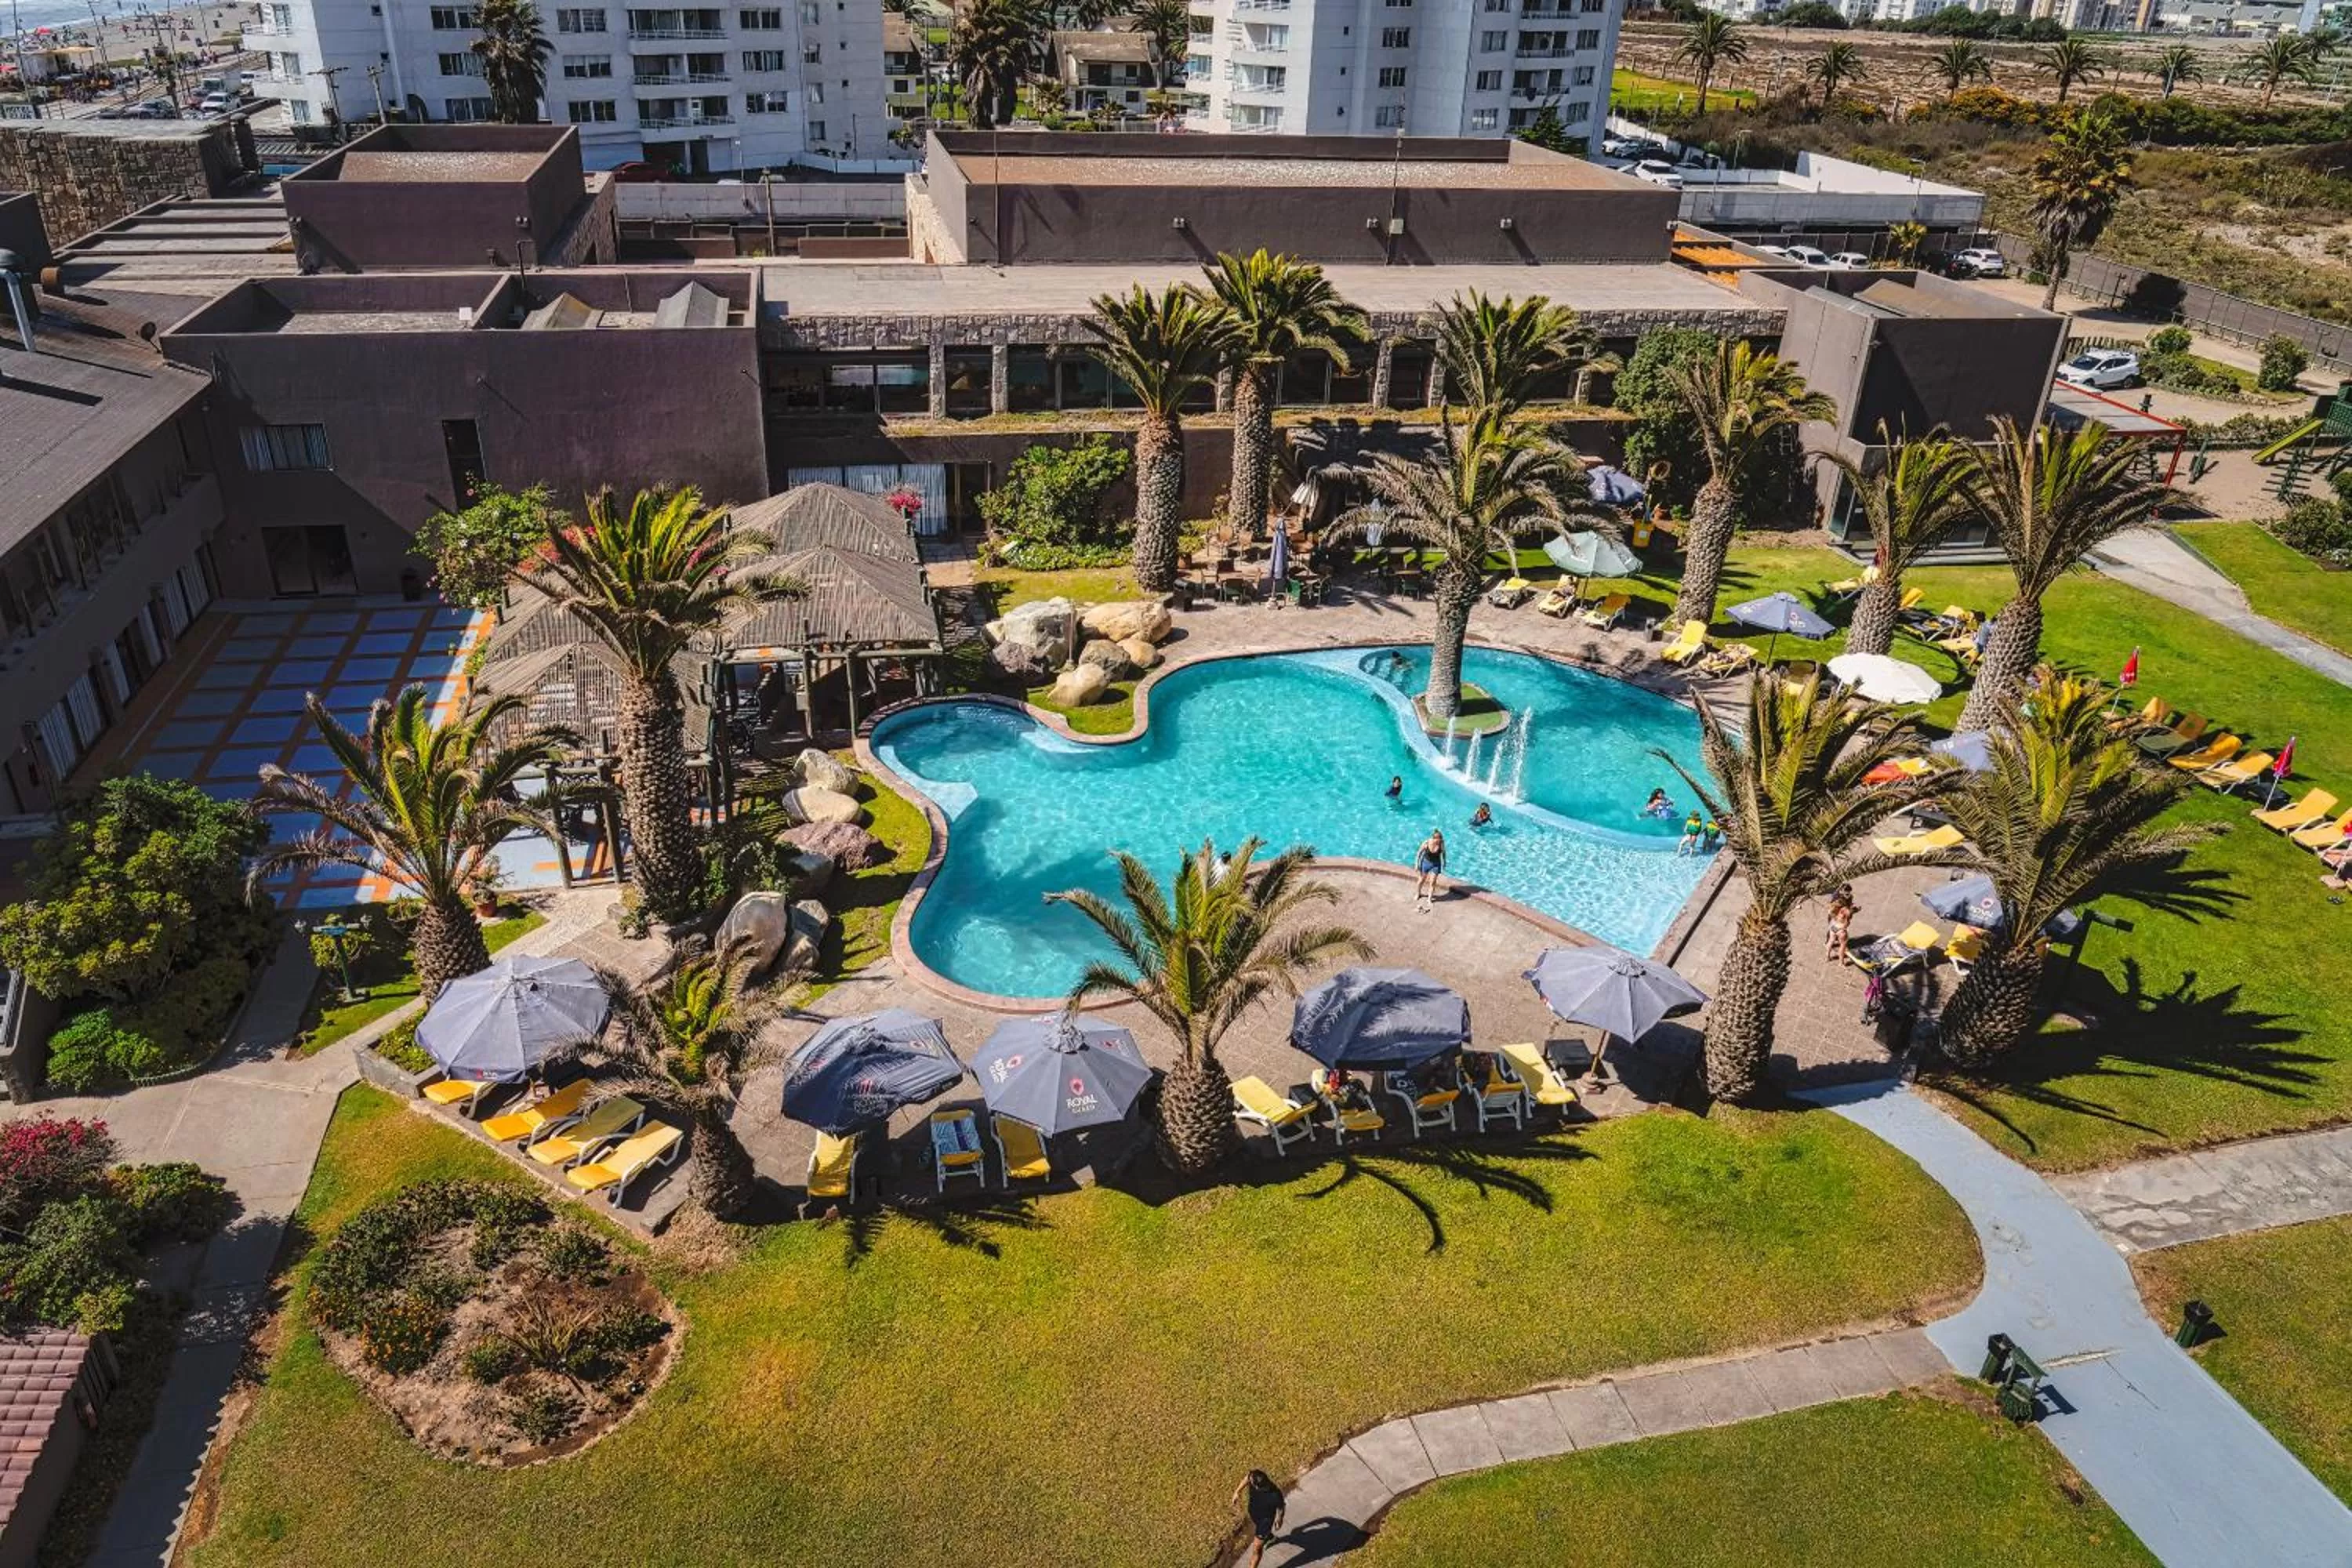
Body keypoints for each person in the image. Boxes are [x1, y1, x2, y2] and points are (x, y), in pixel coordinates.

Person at [1233, 1469, 1286, 1565]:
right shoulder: (1255, 1478)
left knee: (1256, 1549)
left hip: (1265, 1522)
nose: (1249, 1481)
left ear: (1257, 1486)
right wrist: (1237, 1491)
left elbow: (1281, 1508)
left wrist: (1279, 1519)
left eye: (1251, 1482)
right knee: (1259, 1531)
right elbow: (1247, 1477)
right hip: (1255, 1513)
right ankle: (1269, 1537)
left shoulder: (1275, 1495)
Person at [1414, 828, 1446, 911]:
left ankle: (1429, 899)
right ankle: (1418, 893)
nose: (1438, 843)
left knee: (1432, 883)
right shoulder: (1427, 843)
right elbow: (1419, 853)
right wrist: (1417, 864)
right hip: (1426, 863)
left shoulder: (1441, 844)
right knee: (1421, 880)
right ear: (1434, 838)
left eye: (1440, 841)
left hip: (1436, 865)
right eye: (1437, 841)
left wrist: (1444, 862)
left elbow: (1444, 853)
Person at [1825, 884, 1858, 964]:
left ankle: (1827, 956)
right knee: (1842, 944)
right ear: (1842, 892)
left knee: (1831, 937)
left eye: (1849, 893)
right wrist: (1855, 910)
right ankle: (1841, 962)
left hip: (1836, 923)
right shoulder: (1838, 900)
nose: (1848, 894)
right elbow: (1832, 910)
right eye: (1846, 893)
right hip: (1840, 926)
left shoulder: (1848, 897)